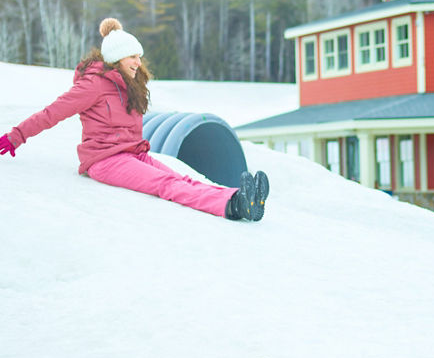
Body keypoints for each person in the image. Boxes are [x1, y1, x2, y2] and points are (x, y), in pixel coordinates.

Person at [0, 18, 268, 222]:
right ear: (116, 58)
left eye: (139, 57)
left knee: (182, 179)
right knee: (166, 185)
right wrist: (15, 137)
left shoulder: (130, 85)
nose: (139, 62)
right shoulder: (92, 85)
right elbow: (52, 113)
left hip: (133, 154)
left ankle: (241, 197)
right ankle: (234, 206)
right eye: (133, 57)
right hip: (105, 160)